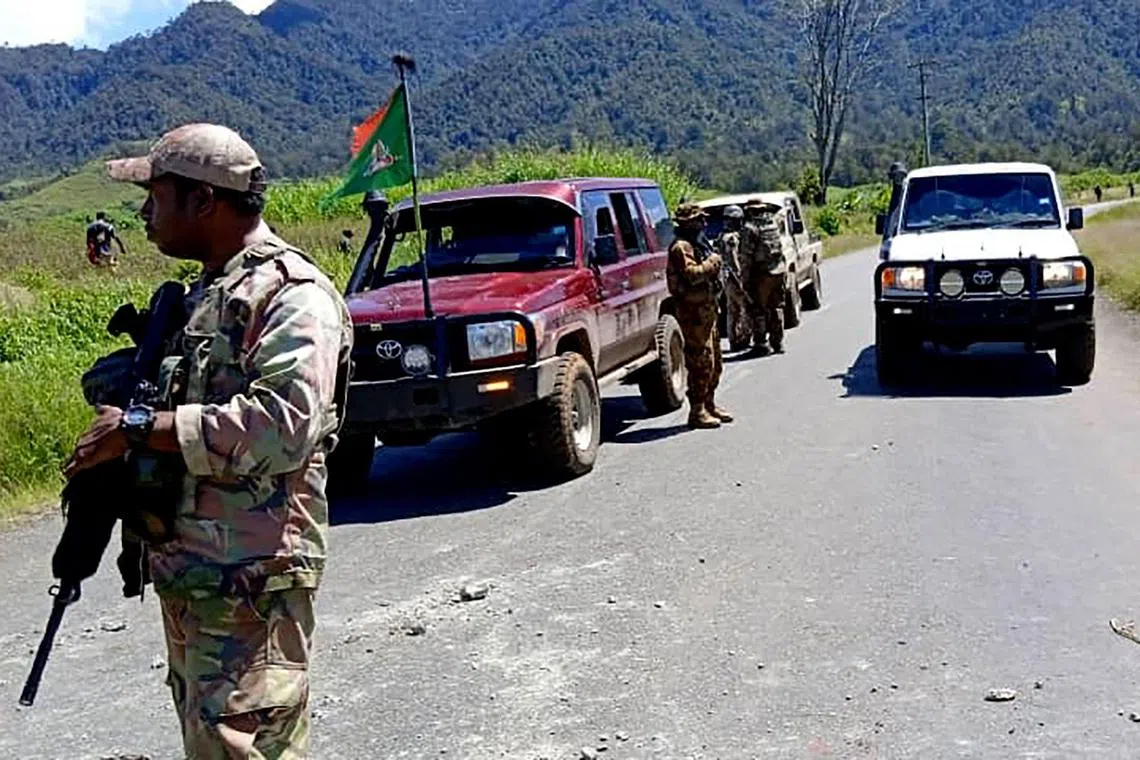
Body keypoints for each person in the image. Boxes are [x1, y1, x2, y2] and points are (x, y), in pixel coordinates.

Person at [62, 123, 353, 759]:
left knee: (242, 744)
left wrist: (139, 427)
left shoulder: (292, 295)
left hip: (253, 576)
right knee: (211, 741)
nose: (144, 213)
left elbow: (285, 424)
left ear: (203, 201)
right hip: (196, 570)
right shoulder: (208, 293)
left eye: (156, 196)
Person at [666, 203, 732, 429]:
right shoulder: (681, 247)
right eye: (698, 220)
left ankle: (709, 404)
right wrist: (712, 263)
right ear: (687, 223)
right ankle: (697, 410)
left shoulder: (698, 243)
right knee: (700, 362)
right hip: (692, 314)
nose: (704, 223)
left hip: (707, 311)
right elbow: (692, 275)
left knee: (715, 363)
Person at [739, 199, 787, 356]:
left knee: (757, 309)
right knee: (776, 307)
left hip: (761, 274)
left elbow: (746, 257)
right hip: (778, 271)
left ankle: (761, 344)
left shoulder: (750, 228)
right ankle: (778, 342)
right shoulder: (772, 225)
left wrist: (744, 279)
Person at [715, 205, 751, 352]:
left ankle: (735, 339)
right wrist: (740, 279)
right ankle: (741, 338)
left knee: (732, 309)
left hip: (727, 278)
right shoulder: (731, 238)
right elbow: (733, 260)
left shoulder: (722, 236)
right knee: (742, 308)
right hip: (733, 278)